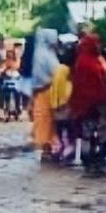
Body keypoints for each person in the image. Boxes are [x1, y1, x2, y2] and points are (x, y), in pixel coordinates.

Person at [69, 34, 106, 175]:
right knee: (93, 133)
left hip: (92, 104)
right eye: (97, 43)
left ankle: (92, 161)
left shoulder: (87, 60)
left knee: (93, 134)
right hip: (93, 105)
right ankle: (91, 161)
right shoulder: (87, 63)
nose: (99, 46)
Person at [30, 28, 60, 161]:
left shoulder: (39, 53)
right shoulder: (47, 55)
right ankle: (47, 148)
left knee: (43, 120)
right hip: (48, 91)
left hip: (40, 91)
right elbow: (57, 72)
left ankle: (46, 148)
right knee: (47, 120)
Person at [49, 40, 75, 163]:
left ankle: (60, 151)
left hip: (56, 103)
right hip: (66, 104)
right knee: (69, 129)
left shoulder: (58, 69)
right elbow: (67, 88)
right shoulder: (67, 70)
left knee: (60, 129)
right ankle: (67, 152)